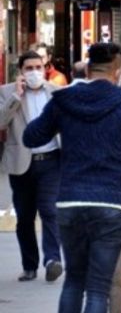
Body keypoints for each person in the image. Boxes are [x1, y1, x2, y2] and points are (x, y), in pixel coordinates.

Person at [23, 43, 121, 312]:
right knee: (97, 287)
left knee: (73, 281)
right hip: (112, 202)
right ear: (116, 70)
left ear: (89, 67)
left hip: (71, 200)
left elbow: (31, 137)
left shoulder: (62, 100)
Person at [0, 51, 63, 283]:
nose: (35, 71)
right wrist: (15, 97)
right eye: (29, 68)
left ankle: (52, 260)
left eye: (39, 66)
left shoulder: (55, 93)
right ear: (21, 71)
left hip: (51, 160)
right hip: (21, 162)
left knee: (50, 211)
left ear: (45, 67)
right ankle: (29, 265)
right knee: (25, 217)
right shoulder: (6, 92)